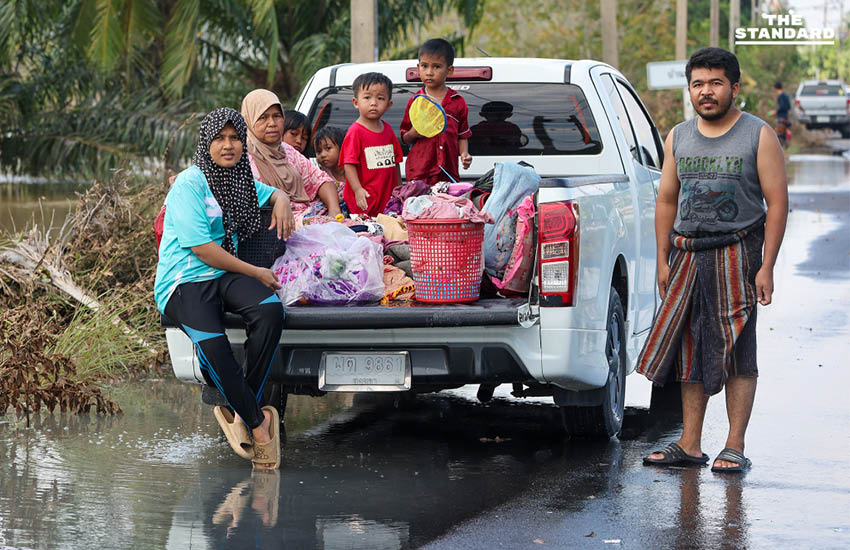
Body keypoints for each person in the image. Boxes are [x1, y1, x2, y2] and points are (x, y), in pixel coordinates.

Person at [639, 47, 788, 473]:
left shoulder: (757, 134)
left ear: (734, 88)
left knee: (738, 347)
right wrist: (663, 258)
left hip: (737, 252)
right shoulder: (678, 136)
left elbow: (777, 204)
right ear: (690, 89)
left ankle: (734, 444)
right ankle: (689, 443)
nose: (706, 92)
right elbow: (667, 199)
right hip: (687, 254)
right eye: (698, 84)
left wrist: (767, 266)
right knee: (690, 347)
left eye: (716, 83)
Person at [154, 108, 292, 469]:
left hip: (220, 276)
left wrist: (283, 200)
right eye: (220, 138)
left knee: (270, 311)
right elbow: (203, 249)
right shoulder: (189, 183)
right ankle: (259, 425)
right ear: (206, 143)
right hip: (184, 281)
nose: (228, 145)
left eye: (235, 138)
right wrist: (256, 272)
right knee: (215, 347)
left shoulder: (238, 178)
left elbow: (273, 192)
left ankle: (238, 408)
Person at [241, 89, 342, 227]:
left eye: (277, 116)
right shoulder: (241, 157)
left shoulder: (286, 151)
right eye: (263, 117)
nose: (272, 123)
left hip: (309, 215)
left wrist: (334, 211)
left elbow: (320, 180)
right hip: (274, 226)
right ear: (249, 118)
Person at [400, 38, 472, 185]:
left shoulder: (458, 101)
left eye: (436, 67)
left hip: (448, 173)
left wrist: (464, 154)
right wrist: (413, 134)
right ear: (418, 67)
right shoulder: (415, 102)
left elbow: (462, 135)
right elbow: (404, 137)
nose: (429, 72)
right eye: (424, 66)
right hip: (419, 174)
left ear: (450, 70)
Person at [339, 72, 403, 217]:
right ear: (356, 102)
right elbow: (349, 165)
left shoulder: (388, 130)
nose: (373, 103)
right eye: (367, 97)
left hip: (387, 201)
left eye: (380, 98)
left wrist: (399, 189)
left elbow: (396, 163)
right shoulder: (355, 132)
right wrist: (357, 190)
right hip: (365, 201)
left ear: (388, 104)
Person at [313, 125, 348, 213]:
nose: (323, 155)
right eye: (318, 151)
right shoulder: (320, 174)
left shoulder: (353, 171)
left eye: (328, 148)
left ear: (342, 148)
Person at [774, 81, 791, 148]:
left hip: (781, 117)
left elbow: (782, 106)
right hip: (786, 116)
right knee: (784, 132)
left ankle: (780, 148)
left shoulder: (781, 96)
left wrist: (776, 111)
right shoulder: (786, 96)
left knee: (780, 133)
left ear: (775, 88)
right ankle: (786, 147)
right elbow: (788, 107)